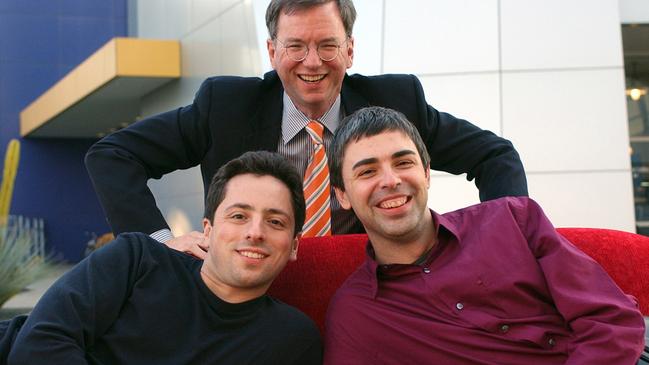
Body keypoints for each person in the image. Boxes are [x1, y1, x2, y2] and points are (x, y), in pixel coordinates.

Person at [85, 0, 528, 258]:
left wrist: (498, 240)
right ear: (272, 50)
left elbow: (495, 155)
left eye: (327, 45)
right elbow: (112, 155)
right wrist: (161, 244)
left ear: (350, 50)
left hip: (371, 290)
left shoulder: (396, 103)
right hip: (252, 293)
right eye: (295, 46)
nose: (312, 62)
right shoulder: (226, 106)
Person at [323, 106, 645, 364]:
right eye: (367, 171)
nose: (390, 180)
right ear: (343, 195)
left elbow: (611, 321)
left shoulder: (512, 219)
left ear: (425, 172)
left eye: (403, 162)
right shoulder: (355, 315)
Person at [4, 151, 322, 364]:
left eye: (275, 222)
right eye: (239, 216)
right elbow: (39, 344)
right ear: (208, 230)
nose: (255, 232)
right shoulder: (137, 259)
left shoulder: (292, 340)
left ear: (294, 245)